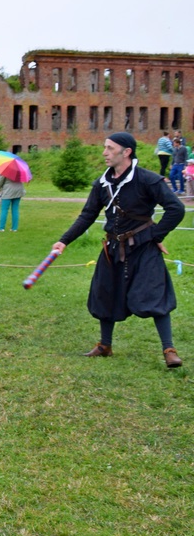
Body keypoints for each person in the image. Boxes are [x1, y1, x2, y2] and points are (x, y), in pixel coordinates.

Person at [51, 132, 185, 368]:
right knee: (105, 293)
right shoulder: (102, 183)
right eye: (105, 147)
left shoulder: (147, 180)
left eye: (110, 148)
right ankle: (105, 345)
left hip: (144, 248)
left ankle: (169, 349)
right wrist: (64, 240)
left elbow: (176, 208)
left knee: (155, 294)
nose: (104, 152)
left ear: (126, 152)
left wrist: (155, 235)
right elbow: (87, 215)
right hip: (112, 248)